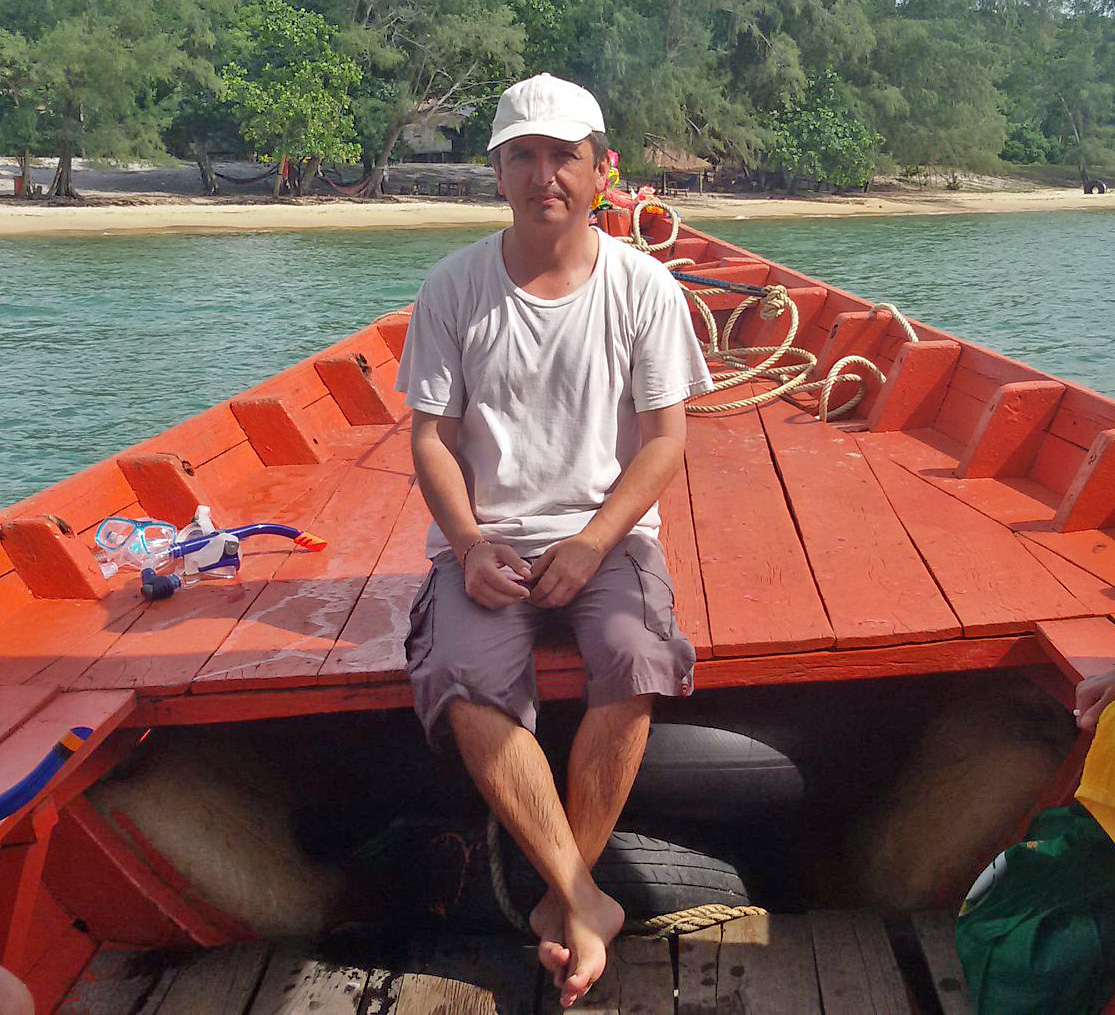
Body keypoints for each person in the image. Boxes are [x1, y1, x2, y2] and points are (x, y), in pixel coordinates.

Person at [395, 73, 713, 1008]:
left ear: (601, 170)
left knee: (633, 653)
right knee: (461, 675)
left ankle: (561, 896)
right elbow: (431, 437)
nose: (545, 176)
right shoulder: (453, 287)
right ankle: (581, 896)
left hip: (607, 535)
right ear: (497, 172)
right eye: (523, 156)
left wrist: (591, 542)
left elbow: (663, 440)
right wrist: (467, 543)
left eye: (564, 156)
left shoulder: (642, 285)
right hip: (486, 542)